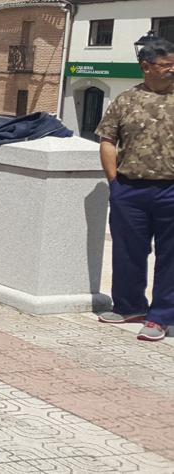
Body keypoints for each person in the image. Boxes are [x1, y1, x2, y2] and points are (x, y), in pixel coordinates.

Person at [96, 36, 174, 342]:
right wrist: (115, 183)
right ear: (146, 67)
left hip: (171, 190)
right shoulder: (126, 100)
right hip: (129, 190)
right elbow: (106, 140)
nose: (172, 69)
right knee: (128, 252)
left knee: (171, 256)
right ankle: (129, 306)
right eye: (166, 64)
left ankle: (162, 316)